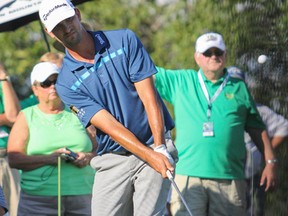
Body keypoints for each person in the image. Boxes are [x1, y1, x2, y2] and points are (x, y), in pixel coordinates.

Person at [38, 0, 178, 215]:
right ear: (50, 32)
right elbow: (110, 126)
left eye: (68, 19)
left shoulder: (124, 39)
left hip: (154, 141)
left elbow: (150, 98)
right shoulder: (65, 83)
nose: (66, 28)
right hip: (112, 159)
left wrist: (159, 149)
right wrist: (150, 156)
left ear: (77, 13)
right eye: (58, 26)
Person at [154, 32, 277, 216]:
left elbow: (256, 128)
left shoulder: (238, 86)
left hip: (229, 179)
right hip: (188, 176)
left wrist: (270, 161)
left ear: (225, 55)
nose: (213, 56)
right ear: (197, 57)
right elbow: (146, 72)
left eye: (218, 52)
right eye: (207, 53)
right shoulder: (182, 80)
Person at [7, 62, 97, 215]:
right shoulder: (27, 116)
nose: (53, 87)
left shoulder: (77, 111)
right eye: (46, 83)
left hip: (84, 196)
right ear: (35, 89)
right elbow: (14, 159)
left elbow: (99, 149)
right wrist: (49, 158)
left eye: (57, 81)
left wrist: (87, 157)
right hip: (38, 200)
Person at [228, 66, 288, 216]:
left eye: (238, 83)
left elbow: (284, 127)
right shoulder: (217, 108)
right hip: (225, 173)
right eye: (231, 83)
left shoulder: (258, 109)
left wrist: (265, 152)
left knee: (253, 209)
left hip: (251, 172)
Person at [0, 63, 21, 216]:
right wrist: (4, 118)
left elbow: (13, 116)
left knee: (15, 211)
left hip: (6, 157)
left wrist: (2, 76)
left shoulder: (2, 83)